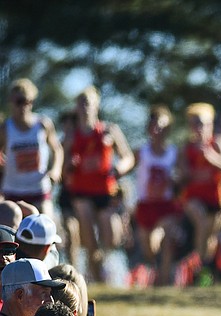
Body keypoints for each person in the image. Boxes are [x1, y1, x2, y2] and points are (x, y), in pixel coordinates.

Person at [62, 86, 135, 282]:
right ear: (76, 107)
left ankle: (101, 266)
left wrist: (120, 168)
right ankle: (97, 281)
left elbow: (128, 157)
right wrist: (68, 164)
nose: (85, 107)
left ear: (97, 105)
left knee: (110, 239)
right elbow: (62, 168)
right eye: (81, 102)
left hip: (105, 191)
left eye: (89, 102)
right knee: (88, 234)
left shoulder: (109, 130)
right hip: (80, 191)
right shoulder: (71, 136)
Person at [177, 103, 221, 268]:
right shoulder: (186, 148)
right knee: (201, 222)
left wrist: (211, 157)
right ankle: (196, 267)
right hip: (193, 198)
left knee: (211, 237)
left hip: (216, 198)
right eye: (192, 123)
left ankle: (204, 271)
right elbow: (182, 175)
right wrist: (184, 173)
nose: (196, 127)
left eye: (199, 123)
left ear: (210, 124)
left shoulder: (218, 142)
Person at [133, 106, 183, 286]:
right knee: (149, 250)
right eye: (154, 126)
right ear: (149, 128)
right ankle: (155, 279)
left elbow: (183, 175)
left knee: (164, 238)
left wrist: (177, 178)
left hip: (166, 205)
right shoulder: (142, 152)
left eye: (162, 126)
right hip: (145, 205)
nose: (158, 130)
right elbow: (127, 164)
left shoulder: (174, 153)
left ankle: (163, 282)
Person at [0, 79, 64, 218]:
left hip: (39, 189)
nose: (23, 106)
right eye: (19, 102)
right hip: (12, 190)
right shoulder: (5, 128)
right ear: (11, 101)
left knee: (47, 228)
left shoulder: (42, 124)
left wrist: (56, 170)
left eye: (27, 102)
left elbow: (57, 149)